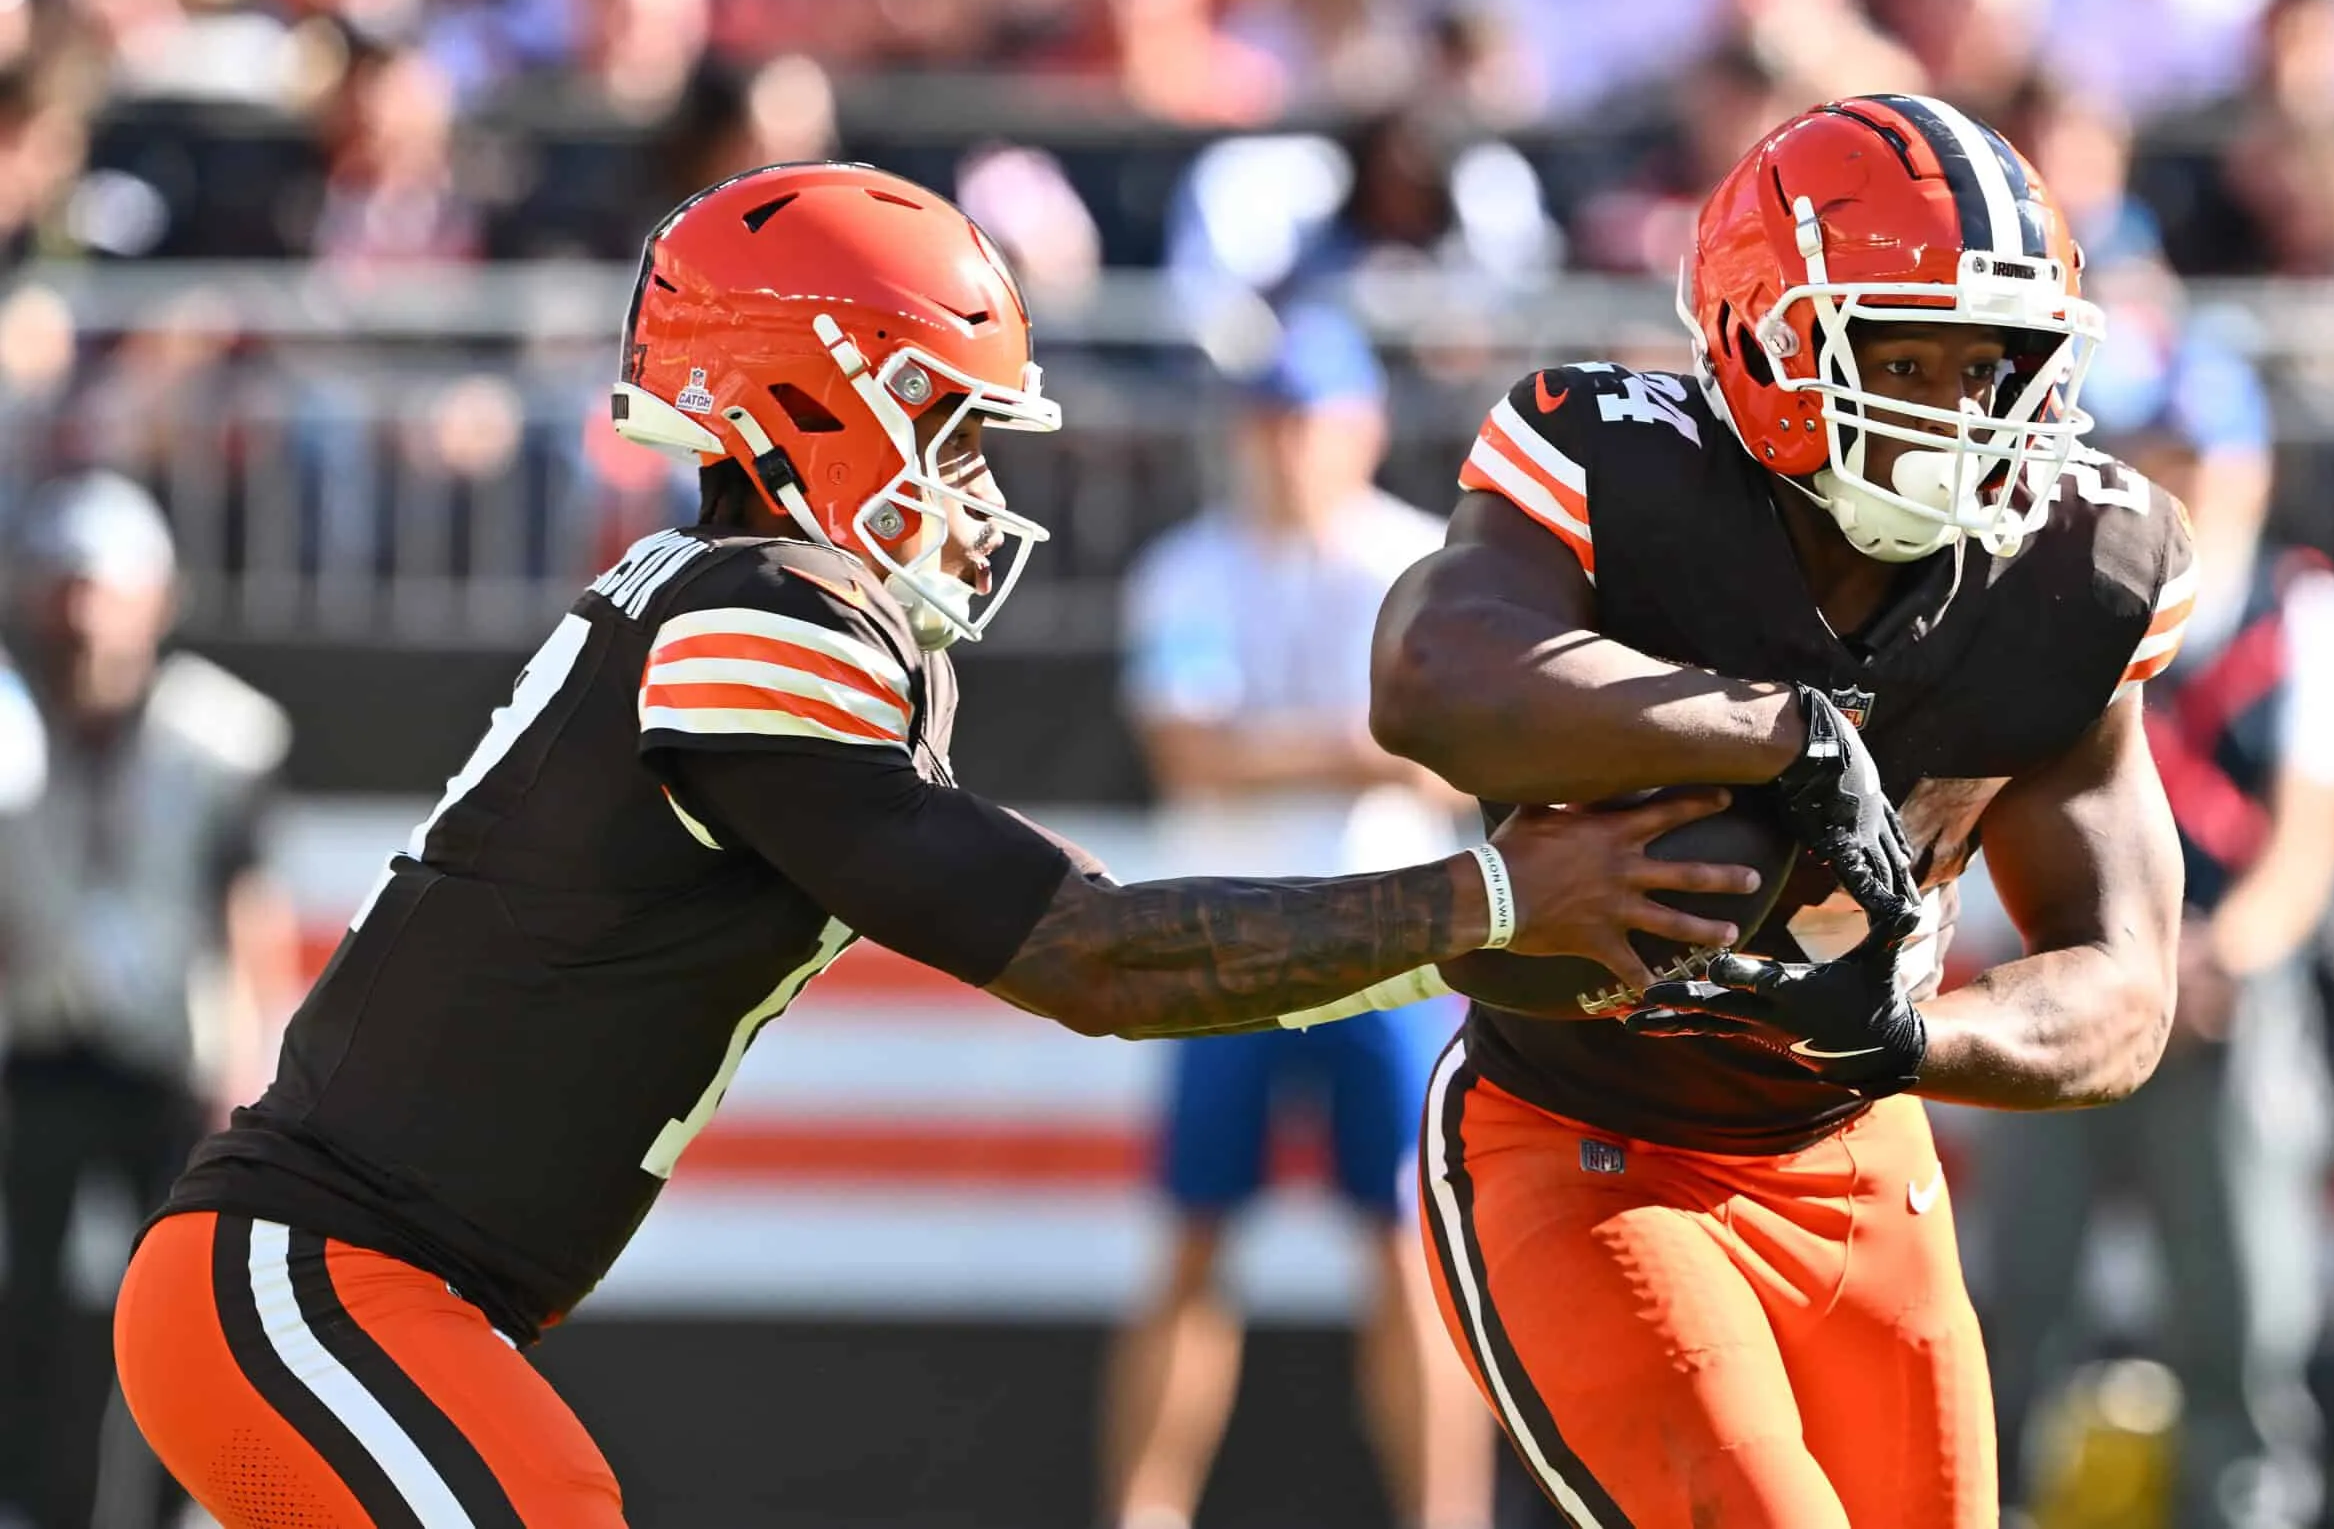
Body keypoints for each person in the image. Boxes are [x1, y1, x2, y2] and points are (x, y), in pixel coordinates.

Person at [105, 163, 1763, 1529]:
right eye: (952, 430)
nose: (971, 487)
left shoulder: (735, 614)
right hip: (309, 1282)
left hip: (371, 1297)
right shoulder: (760, 620)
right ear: (816, 404)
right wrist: (1482, 902)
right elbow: (1094, 954)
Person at [1365, 94, 2195, 1529]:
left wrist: (1912, 1035)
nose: (1950, 405)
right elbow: (1429, 671)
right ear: (1767, 333)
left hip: (1856, 1148)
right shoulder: (1622, 464)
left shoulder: (2082, 562)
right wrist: (1778, 728)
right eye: (1901, 352)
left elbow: (2125, 986)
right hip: (1585, 1132)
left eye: (1985, 362)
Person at [1102, 309, 1489, 1529]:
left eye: (1304, 417)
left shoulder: (1418, 563)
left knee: (1410, 1262)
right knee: (1191, 1246)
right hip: (1233, 947)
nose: (1283, 444)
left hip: (1390, 952)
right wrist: (1355, 751)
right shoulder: (1189, 566)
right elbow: (1188, 754)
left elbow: (1441, 768)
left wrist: (1283, 755)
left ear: (1360, 426)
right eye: (1267, 418)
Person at [1980, 326, 2334, 1529]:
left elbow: (2307, 833)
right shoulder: (2060, 595)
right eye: (2160, 451)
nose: (2182, 478)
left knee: (2242, 1312)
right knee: (2014, 1299)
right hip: (2062, 972)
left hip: (2224, 998)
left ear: (2249, 466)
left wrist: (2217, 958)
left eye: (2201, 453)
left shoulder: (2303, 608)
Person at [0, 472, 293, 1529]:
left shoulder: (215, 736)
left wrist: (251, 1072)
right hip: (37, 1048)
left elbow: (244, 906)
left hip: (166, 1062)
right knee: (26, 1299)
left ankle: (183, 1507)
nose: (82, 616)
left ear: (153, 597)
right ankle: (28, 1499)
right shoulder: (12, 720)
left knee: (176, 1318)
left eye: (102, 589)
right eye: (66, 588)